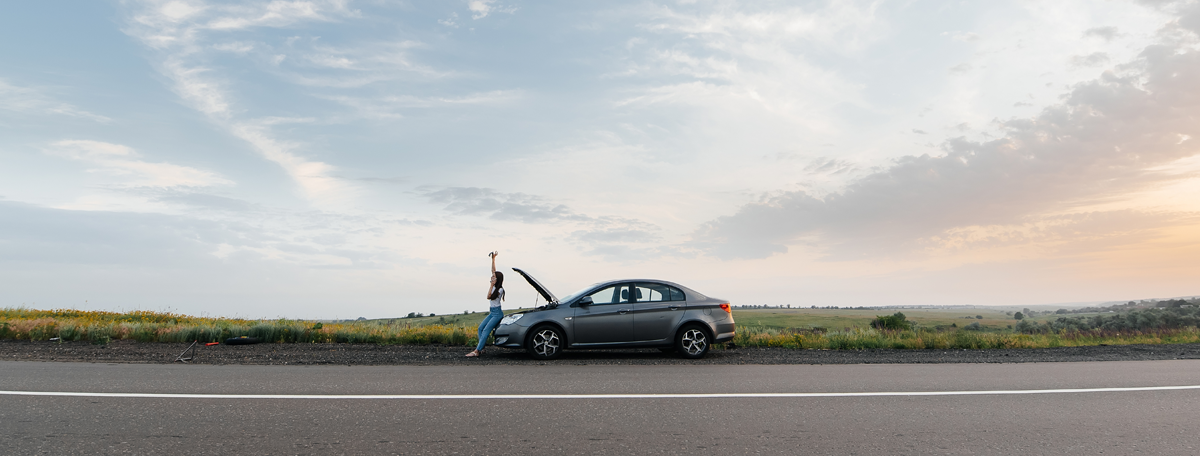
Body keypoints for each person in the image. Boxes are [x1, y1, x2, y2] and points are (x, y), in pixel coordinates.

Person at [467, 251, 504, 357]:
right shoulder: (495, 286)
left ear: (497, 280)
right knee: (480, 328)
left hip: (497, 314)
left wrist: (491, 285)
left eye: (494, 278)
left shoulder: (499, 290)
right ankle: (482, 348)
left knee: (486, 331)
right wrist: (493, 259)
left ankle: (477, 351)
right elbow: (493, 271)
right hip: (492, 312)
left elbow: (488, 297)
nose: (492, 277)